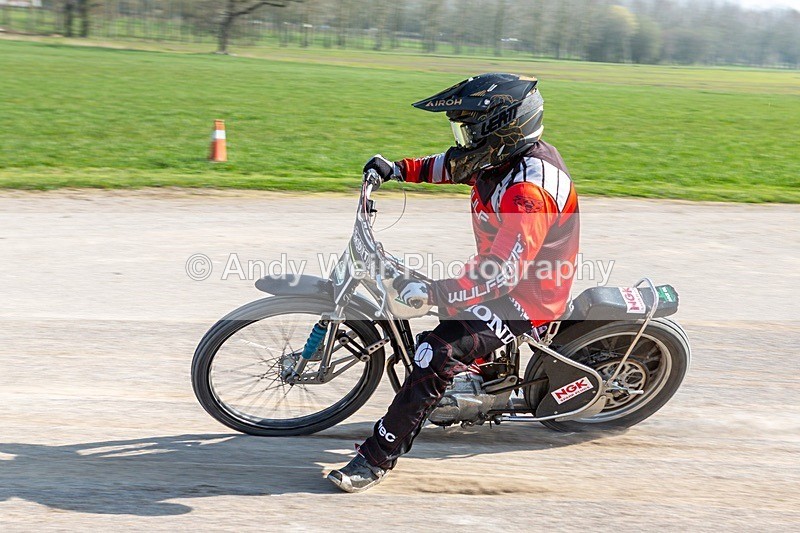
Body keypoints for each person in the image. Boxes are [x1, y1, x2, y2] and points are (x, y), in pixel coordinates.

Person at [327, 73, 580, 493]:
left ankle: (376, 458)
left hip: (527, 298)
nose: (464, 138)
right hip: (499, 274)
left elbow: (502, 276)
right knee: (430, 296)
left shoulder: (527, 192)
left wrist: (436, 294)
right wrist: (397, 169)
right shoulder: (502, 158)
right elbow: (454, 164)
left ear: (502, 128)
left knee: (434, 352)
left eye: (471, 128)